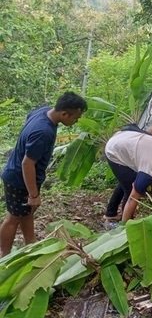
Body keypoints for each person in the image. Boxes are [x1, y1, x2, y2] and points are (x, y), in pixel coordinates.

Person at [0, 92, 87, 257]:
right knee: (13, 218)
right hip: (19, 179)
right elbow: (27, 163)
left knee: (27, 212)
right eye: (75, 118)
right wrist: (33, 194)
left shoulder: (43, 112)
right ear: (64, 114)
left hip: (21, 175)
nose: (76, 121)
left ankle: (30, 244)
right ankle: (3, 254)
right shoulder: (43, 131)